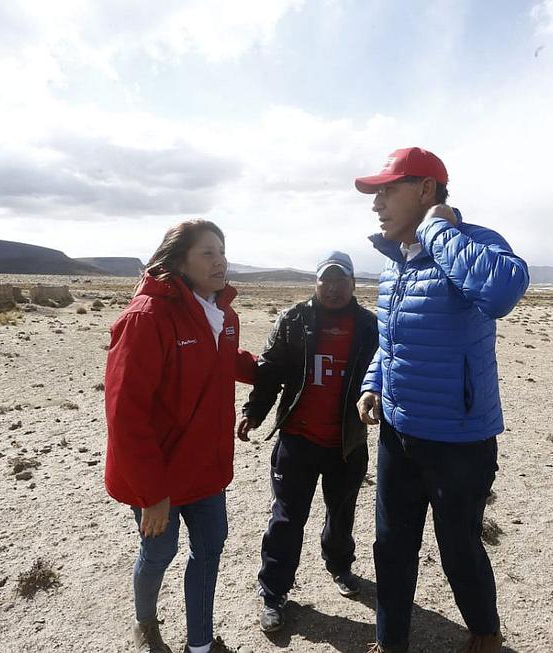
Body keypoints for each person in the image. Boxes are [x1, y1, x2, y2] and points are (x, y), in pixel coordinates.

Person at [353, 148, 530, 653]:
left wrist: (438, 230)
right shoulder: (395, 264)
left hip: (459, 438)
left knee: (458, 548)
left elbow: (500, 293)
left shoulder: (474, 244)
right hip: (399, 431)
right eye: (376, 193)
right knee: (391, 544)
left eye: (388, 190)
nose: (377, 203)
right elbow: (392, 342)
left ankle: (485, 633)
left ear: (426, 190)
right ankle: (391, 641)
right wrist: (374, 383)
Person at [104, 220, 256, 653]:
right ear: (179, 261)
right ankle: (144, 622)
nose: (220, 260)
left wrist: (264, 369)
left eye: (222, 251)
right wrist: (153, 493)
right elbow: (126, 413)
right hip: (160, 475)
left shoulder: (223, 315)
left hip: (206, 467)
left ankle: (201, 645)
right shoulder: (145, 319)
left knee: (209, 552)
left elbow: (224, 357)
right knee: (158, 553)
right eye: (208, 252)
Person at [236, 251, 379, 633]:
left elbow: (383, 375)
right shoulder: (294, 319)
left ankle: (339, 566)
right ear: (315, 283)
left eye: (341, 281)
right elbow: (270, 370)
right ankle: (274, 591)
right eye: (325, 281)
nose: (332, 288)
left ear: (353, 284)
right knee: (286, 518)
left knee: (341, 512)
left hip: (346, 442)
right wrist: (255, 410)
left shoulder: (369, 326)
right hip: (297, 440)